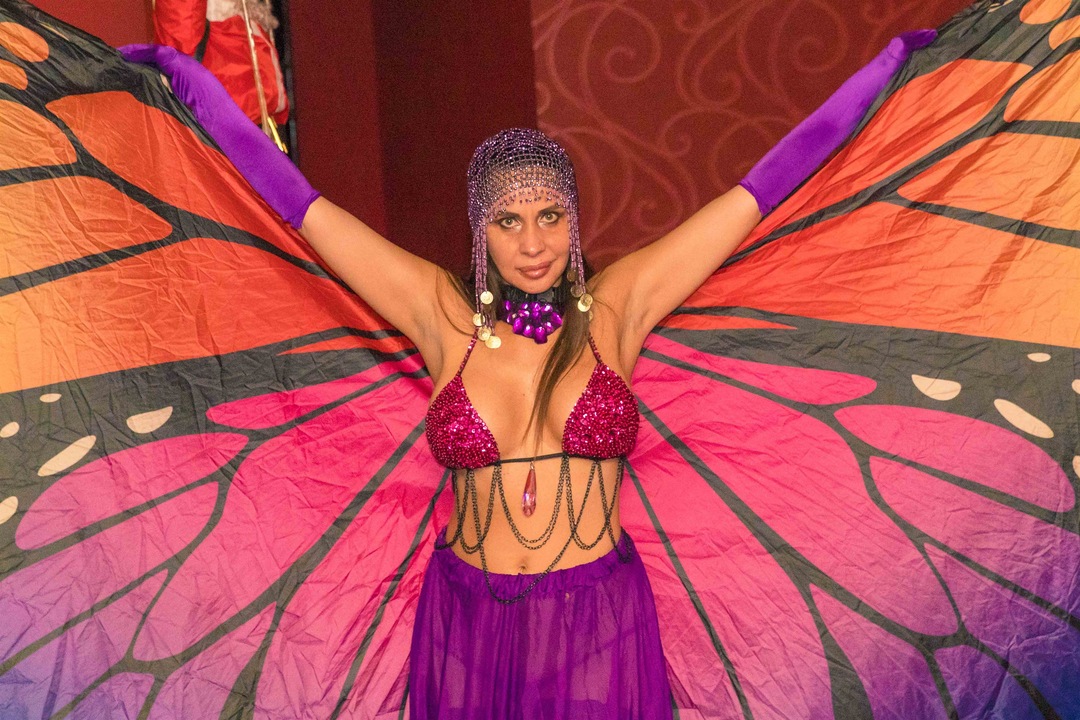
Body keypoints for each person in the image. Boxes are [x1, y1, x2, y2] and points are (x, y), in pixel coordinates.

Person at [120, 28, 935, 719]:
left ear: (574, 220)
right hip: (467, 618)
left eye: (550, 217)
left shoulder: (617, 309)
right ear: (480, 230)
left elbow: (761, 190)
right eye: (508, 222)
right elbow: (303, 209)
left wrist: (887, 70)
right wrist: (192, 85)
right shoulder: (440, 316)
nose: (533, 244)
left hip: (598, 619)